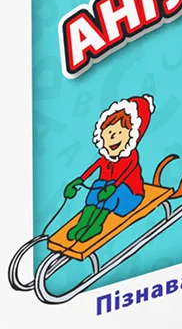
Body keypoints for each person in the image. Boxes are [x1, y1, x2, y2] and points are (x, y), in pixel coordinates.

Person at [62, 95, 154, 244]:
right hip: (108, 189)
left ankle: (96, 225)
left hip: (130, 194)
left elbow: (126, 174)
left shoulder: (131, 156)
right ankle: (83, 223)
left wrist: (114, 186)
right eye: (110, 132)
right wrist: (79, 181)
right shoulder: (106, 157)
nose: (113, 137)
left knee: (111, 194)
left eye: (120, 133)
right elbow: (93, 169)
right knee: (96, 187)